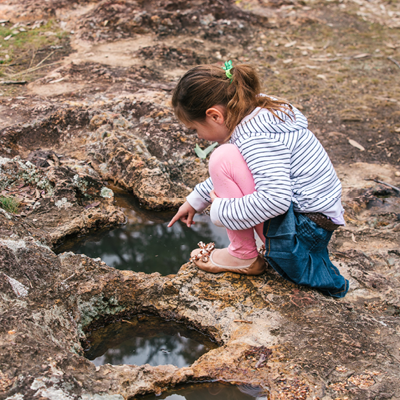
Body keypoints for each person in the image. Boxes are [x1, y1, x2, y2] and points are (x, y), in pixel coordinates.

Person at [168, 61, 349, 298]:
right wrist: (198, 199)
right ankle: (248, 249)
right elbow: (247, 171)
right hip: (313, 225)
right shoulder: (258, 114)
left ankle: (242, 255)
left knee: (222, 156)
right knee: (227, 157)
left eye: (194, 129)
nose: (199, 137)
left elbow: (275, 200)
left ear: (215, 115)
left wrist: (221, 211)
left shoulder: (257, 140)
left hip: (300, 237)